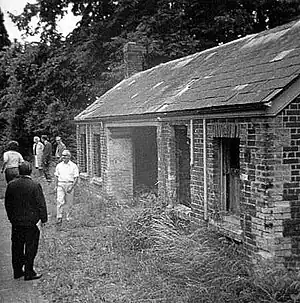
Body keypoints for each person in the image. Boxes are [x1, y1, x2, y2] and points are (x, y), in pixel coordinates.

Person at [4, 161, 47, 281]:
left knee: (17, 246)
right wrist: (43, 219)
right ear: (30, 171)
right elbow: (41, 204)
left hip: (16, 222)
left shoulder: (11, 185)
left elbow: (7, 204)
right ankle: (29, 272)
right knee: (31, 246)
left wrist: (11, 218)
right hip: (31, 222)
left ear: (19, 171)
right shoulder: (35, 185)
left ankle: (17, 271)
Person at [54, 150, 79, 224]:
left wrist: (72, 187)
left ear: (69, 156)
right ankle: (59, 217)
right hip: (61, 184)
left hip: (69, 184)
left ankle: (69, 217)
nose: (63, 157)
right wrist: (56, 185)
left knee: (69, 202)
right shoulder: (59, 165)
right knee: (60, 200)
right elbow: (56, 176)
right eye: (62, 155)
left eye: (65, 155)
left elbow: (76, 177)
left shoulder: (73, 166)